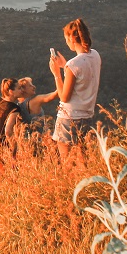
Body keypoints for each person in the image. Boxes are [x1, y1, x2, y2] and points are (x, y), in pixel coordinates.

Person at [49, 18, 102, 161]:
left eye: (66, 38)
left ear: (72, 38)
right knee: (81, 161)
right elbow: (83, 78)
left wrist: (57, 73)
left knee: (67, 162)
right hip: (87, 116)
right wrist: (65, 65)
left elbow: (64, 97)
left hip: (69, 117)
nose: (66, 42)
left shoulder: (73, 64)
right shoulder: (95, 55)